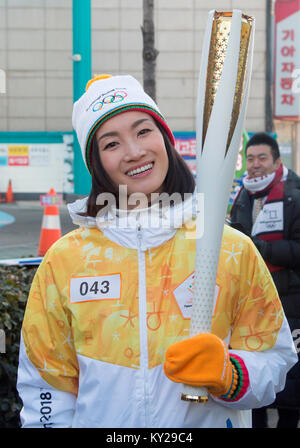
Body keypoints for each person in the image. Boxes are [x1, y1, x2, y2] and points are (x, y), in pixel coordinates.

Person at [17, 75, 297, 428]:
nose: (134, 152)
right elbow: (46, 383)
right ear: (96, 162)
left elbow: (275, 359)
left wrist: (231, 375)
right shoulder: (65, 261)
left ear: (165, 137)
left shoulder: (230, 249)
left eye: (143, 131)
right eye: (111, 143)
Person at [230, 132, 300, 428]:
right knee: (253, 368)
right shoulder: (243, 193)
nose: (255, 165)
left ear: (276, 161)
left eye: (262, 158)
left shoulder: (295, 194)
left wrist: (262, 249)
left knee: (292, 381)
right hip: (253, 301)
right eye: (250, 158)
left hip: (291, 301)